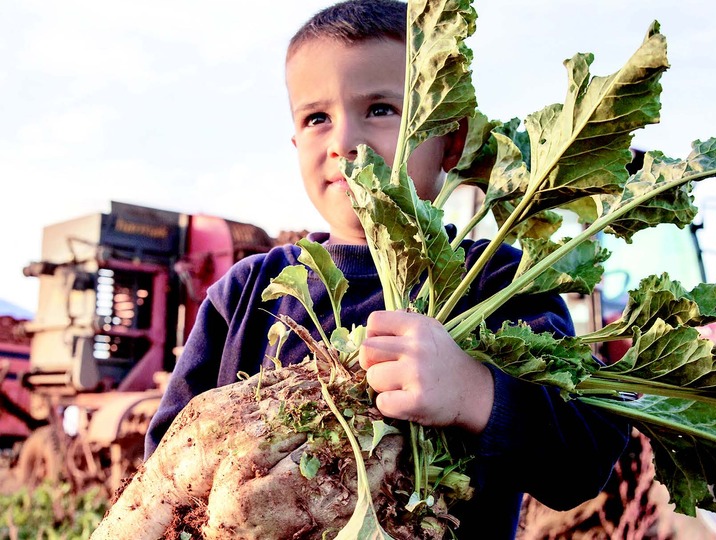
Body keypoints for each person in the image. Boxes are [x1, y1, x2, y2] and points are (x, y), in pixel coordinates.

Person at [145, 0, 629, 537]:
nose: (343, 143)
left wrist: (472, 393)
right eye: (316, 119)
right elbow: (163, 475)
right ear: (295, 143)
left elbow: (584, 460)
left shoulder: (498, 283)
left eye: (379, 109)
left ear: (450, 141)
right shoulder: (244, 293)